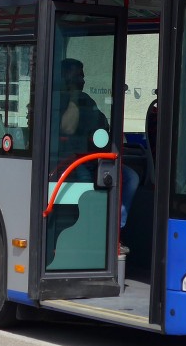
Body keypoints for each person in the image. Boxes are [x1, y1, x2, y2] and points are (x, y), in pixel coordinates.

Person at [57, 58, 138, 227]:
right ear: (66, 78)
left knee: (130, 177)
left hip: (94, 157)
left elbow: (103, 124)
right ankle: (89, 227)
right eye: (77, 77)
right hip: (70, 159)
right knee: (87, 181)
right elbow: (68, 128)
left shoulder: (87, 100)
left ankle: (117, 227)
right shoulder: (59, 100)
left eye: (82, 76)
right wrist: (73, 97)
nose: (82, 80)